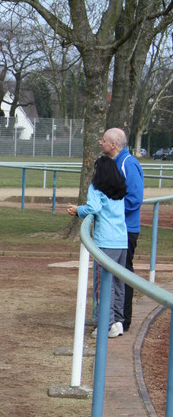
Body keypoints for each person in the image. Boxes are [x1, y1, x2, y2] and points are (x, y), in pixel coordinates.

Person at [67, 155, 127, 338]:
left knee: (103, 284)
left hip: (106, 243)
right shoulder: (119, 187)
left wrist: (78, 210)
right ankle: (117, 321)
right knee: (118, 283)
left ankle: (106, 325)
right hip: (121, 241)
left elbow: (93, 208)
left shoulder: (96, 187)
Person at [99, 127, 144, 331]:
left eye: (104, 140)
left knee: (123, 274)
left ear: (113, 145)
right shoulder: (114, 163)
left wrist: (110, 211)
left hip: (126, 230)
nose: (100, 143)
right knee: (115, 275)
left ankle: (122, 320)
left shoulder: (128, 164)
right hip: (116, 229)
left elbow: (134, 198)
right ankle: (112, 318)